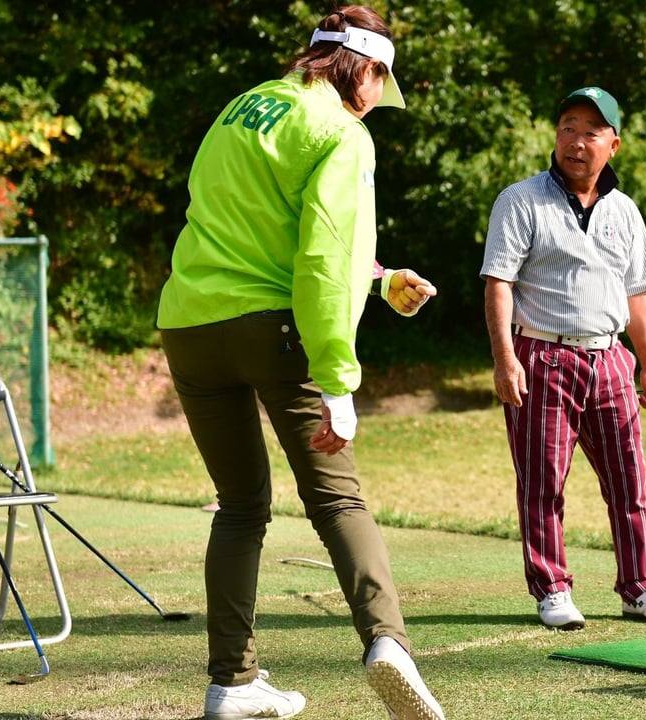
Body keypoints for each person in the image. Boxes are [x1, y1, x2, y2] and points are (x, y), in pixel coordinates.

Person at [156, 7, 444, 720]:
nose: (379, 97)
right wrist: (339, 381)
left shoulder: (240, 109)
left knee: (241, 506)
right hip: (274, 330)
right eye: (382, 81)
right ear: (365, 70)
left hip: (188, 323)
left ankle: (232, 682)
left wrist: (379, 279)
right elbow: (319, 262)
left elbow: (265, 227)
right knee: (337, 499)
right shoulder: (344, 134)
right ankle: (389, 642)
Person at [480, 86, 646, 632]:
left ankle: (641, 587)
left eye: (591, 131)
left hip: (610, 359)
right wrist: (505, 358)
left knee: (629, 481)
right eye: (568, 126)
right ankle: (552, 589)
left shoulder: (625, 211)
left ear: (612, 145)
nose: (576, 140)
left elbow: (637, 293)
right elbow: (498, 282)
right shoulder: (520, 200)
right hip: (541, 357)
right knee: (543, 482)